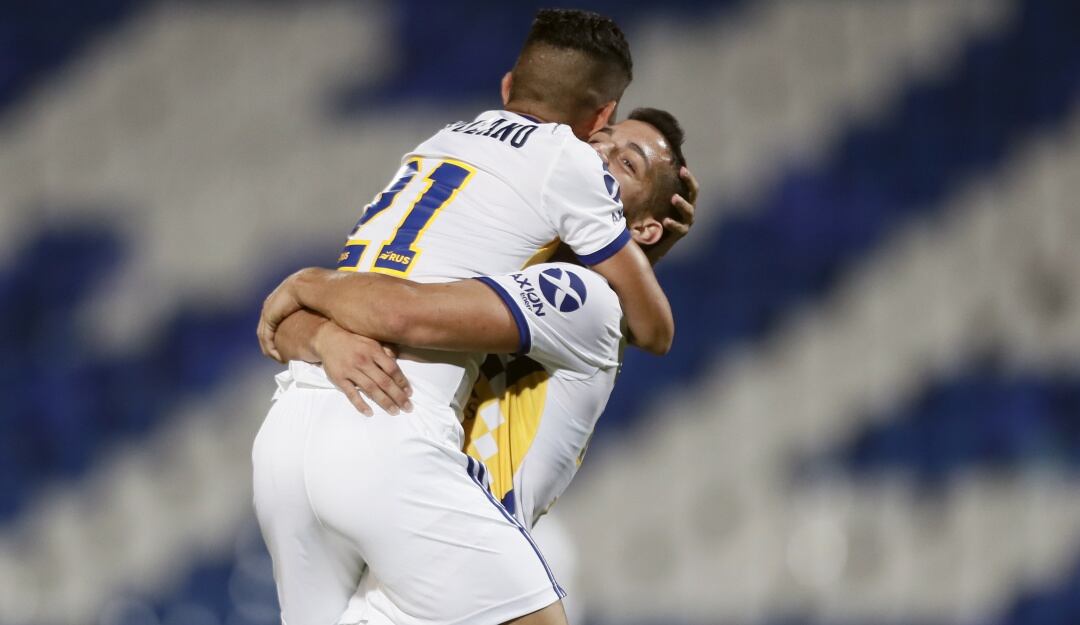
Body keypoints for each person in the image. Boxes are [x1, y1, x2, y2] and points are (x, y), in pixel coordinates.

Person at [252, 10, 674, 625]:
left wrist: (311, 298)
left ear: (507, 88)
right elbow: (653, 327)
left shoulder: (440, 150)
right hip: (391, 442)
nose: (602, 161)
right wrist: (320, 325)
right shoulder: (556, 192)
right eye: (603, 145)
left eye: (627, 164)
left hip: (289, 438)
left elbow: (306, 318)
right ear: (596, 121)